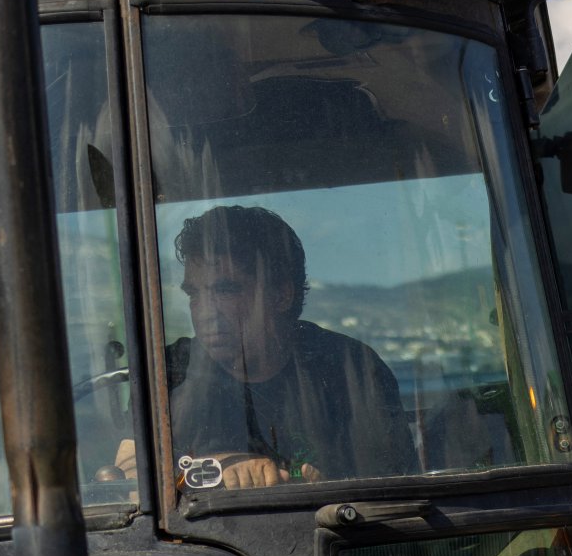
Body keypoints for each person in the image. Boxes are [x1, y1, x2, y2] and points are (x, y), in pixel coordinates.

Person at [133, 204, 415, 489]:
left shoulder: (351, 370)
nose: (205, 313)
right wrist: (219, 466)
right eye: (194, 294)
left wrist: (321, 487)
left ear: (281, 295)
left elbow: (393, 490)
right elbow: (129, 477)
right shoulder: (168, 374)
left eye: (225, 290)